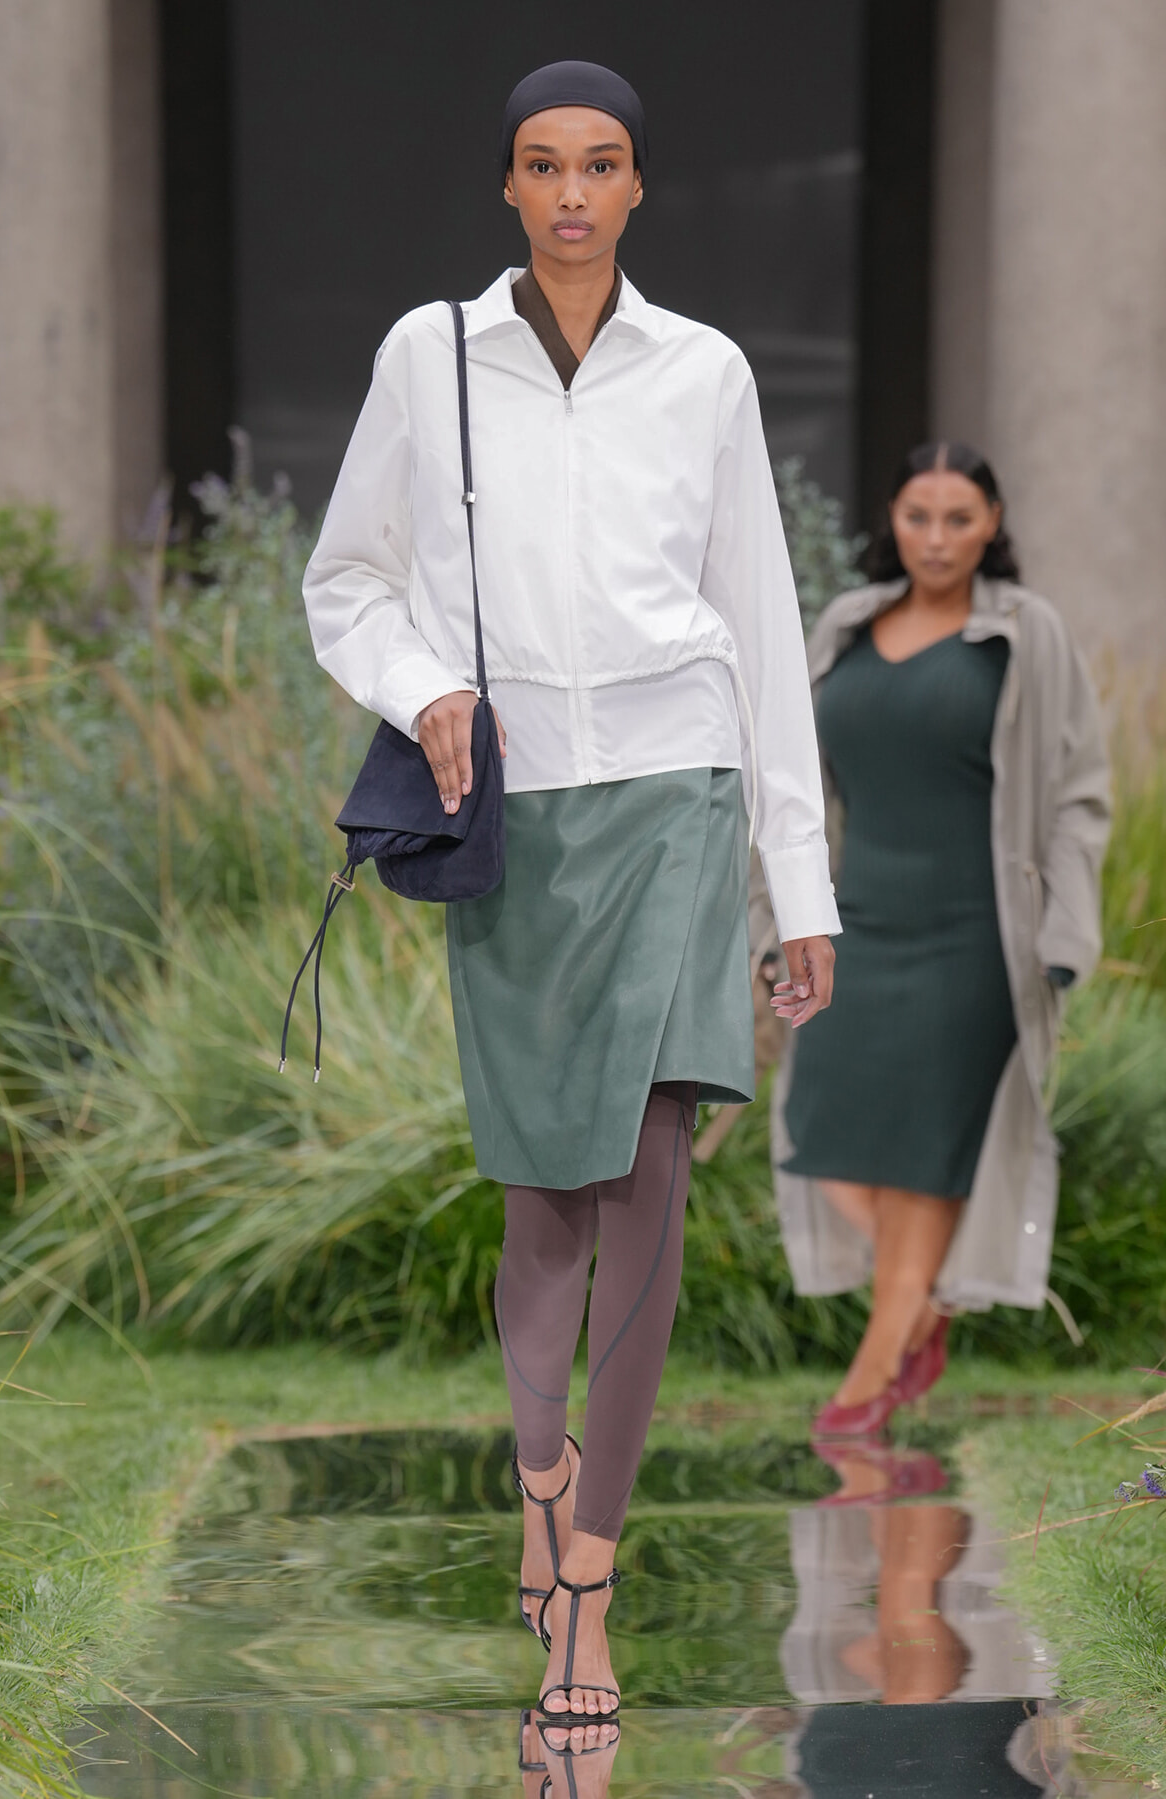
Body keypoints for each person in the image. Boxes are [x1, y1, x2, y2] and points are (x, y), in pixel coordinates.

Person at [303, 60, 840, 1734]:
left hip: (678, 790)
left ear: (640, 186)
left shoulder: (705, 373)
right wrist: (421, 684)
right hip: (517, 804)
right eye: (544, 166)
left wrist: (796, 878)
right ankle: (537, 1472)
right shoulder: (428, 355)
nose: (573, 195)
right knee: (547, 1195)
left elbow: (754, 604)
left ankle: (586, 1585)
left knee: (648, 1178)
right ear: (510, 188)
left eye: (602, 165)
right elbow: (349, 578)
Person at [770, 442, 1110, 1436]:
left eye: (960, 517)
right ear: (893, 516)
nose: (938, 537)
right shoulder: (845, 623)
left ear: (993, 522)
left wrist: (1064, 930)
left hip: (980, 934)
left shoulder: (1025, 633)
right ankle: (928, 1305)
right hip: (854, 925)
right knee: (816, 1126)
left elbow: (1080, 793)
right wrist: (778, 918)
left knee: (925, 1151)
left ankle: (867, 1384)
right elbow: (786, 780)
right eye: (920, 515)